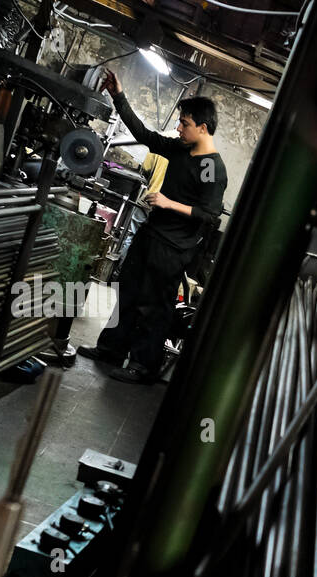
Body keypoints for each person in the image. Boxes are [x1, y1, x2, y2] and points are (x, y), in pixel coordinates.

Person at [79, 69, 227, 383]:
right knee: (128, 292)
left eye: (184, 124)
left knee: (154, 306)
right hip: (151, 235)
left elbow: (209, 215)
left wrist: (168, 203)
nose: (179, 127)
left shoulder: (210, 167)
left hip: (173, 249)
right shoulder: (181, 149)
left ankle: (144, 366)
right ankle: (111, 349)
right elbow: (145, 135)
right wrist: (118, 96)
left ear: (202, 127)